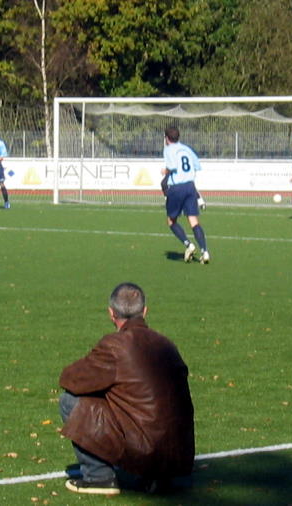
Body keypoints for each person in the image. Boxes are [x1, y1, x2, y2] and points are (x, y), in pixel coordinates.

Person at [59, 283, 194, 496]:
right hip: (179, 455)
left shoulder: (115, 346)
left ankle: (99, 477)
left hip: (146, 450)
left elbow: (70, 380)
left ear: (111, 314)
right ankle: (157, 477)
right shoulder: (167, 344)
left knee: (69, 401)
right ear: (145, 311)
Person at [162, 127, 209, 264]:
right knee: (193, 221)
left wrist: (164, 171)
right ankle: (204, 252)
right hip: (190, 186)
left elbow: (171, 166)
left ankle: (189, 245)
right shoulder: (186, 149)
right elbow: (197, 165)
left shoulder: (168, 149)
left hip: (177, 187)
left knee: (171, 221)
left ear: (167, 138)